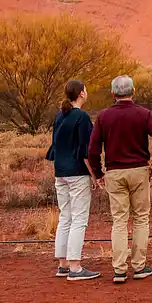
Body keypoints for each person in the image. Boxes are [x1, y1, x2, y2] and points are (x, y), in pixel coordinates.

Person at [88, 74, 152, 284]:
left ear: (113, 93)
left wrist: (98, 173)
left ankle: (119, 270)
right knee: (141, 218)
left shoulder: (103, 116)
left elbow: (93, 148)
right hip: (140, 171)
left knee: (119, 220)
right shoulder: (144, 114)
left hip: (114, 173)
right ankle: (139, 267)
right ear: (133, 92)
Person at [45, 79, 100, 281]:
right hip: (77, 173)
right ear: (81, 94)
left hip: (60, 172)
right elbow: (86, 151)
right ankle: (75, 267)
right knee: (79, 219)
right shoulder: (81, 117)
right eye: (85, 89)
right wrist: (95, 175)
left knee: (65, 217)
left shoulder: (60, 115)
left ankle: (63, 265)